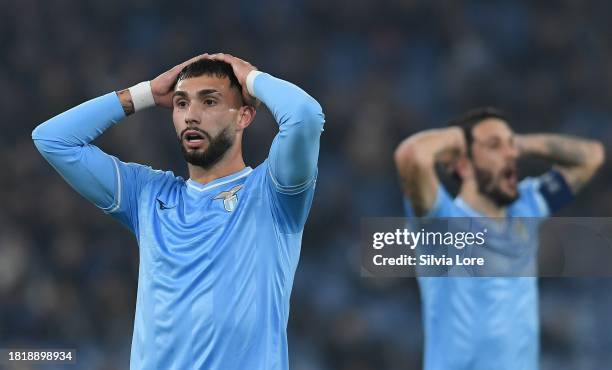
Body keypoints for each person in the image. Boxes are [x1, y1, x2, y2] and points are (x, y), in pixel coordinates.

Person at [32, 53, 325, 370]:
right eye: (182, 103)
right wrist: (145, 93)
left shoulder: (272, 193)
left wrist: (251, 77)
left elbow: (305, 116)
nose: (191, 116)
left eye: (209, 102)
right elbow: (53, 140)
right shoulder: (147, 194)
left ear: (243, 116)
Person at [394, 107, 604, 370]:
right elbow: (411, 155)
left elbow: (591, 158)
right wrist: (458, 137)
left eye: (511, 146)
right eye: (495, 146)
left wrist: (521, 143)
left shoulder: (527, 207)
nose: (511, 155)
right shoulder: (441, 222)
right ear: (463, 165)